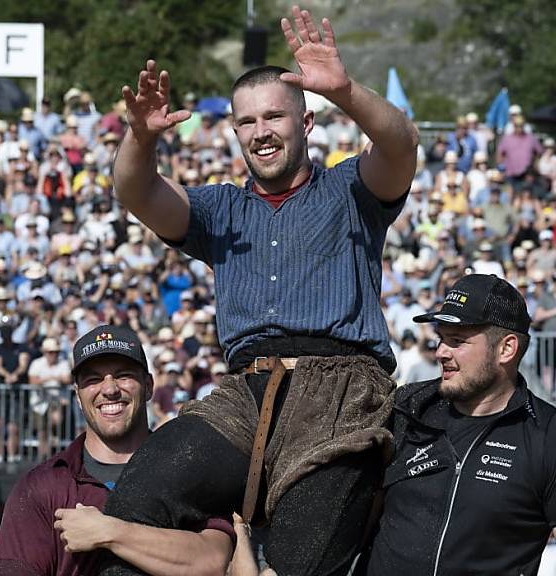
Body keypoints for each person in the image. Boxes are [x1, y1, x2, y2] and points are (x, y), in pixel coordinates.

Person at [107, 5, 417, 575]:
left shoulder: (350, 188)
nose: (261, 132)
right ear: (234, 131)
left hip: (340, 390)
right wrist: (140, 138)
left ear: (306, 124)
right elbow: (138, 191)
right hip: (245, 392)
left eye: (274, 117)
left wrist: (345, 90)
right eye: (247, 122)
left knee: (303, 558)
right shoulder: (220, 207)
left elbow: (400, 145)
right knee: (134, 503)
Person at [0, 324, 235, 576]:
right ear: (78, 395)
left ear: (149, 386)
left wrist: (109, 532)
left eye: (123, 375)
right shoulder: (41, 487)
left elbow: (213, 561)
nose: (109, 390)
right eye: (93, 379)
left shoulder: (190, 471)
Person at [359, 273, 556, 576]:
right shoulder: (406, 409)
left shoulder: (546, 434)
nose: (440, 352)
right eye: (441, 338)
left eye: (457, 341)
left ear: (507, 349)